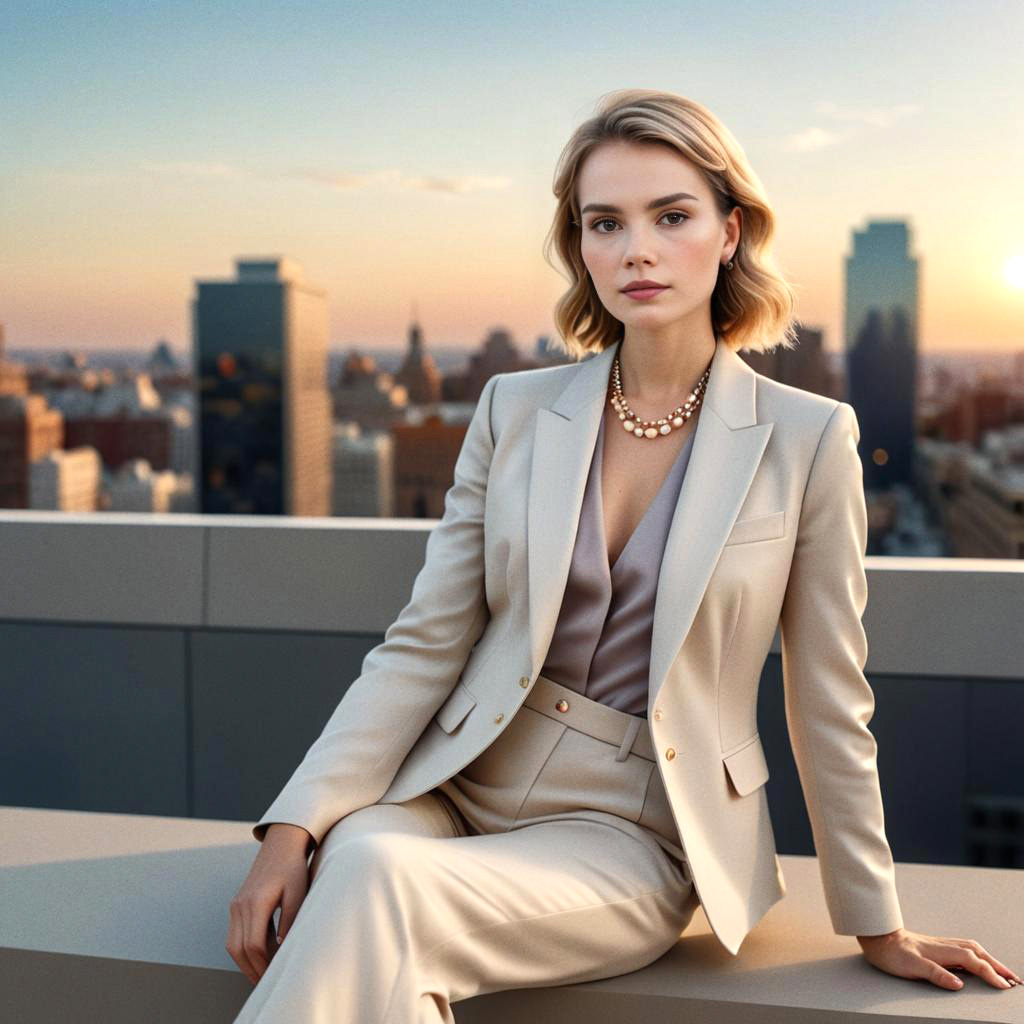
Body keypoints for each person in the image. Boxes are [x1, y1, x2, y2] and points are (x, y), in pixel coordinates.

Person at [227, 89, 1021, 1020]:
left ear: (730, 231)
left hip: (637, 825)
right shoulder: (512, 411)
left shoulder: (809, 439)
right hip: (457, 782)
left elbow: (828, 695)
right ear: (581, 247)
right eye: (606, 223)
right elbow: (423, 643)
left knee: (378, 886)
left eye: (671, 216)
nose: (636, 249)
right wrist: (293, 825)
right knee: (356, 854)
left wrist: (875, 922)